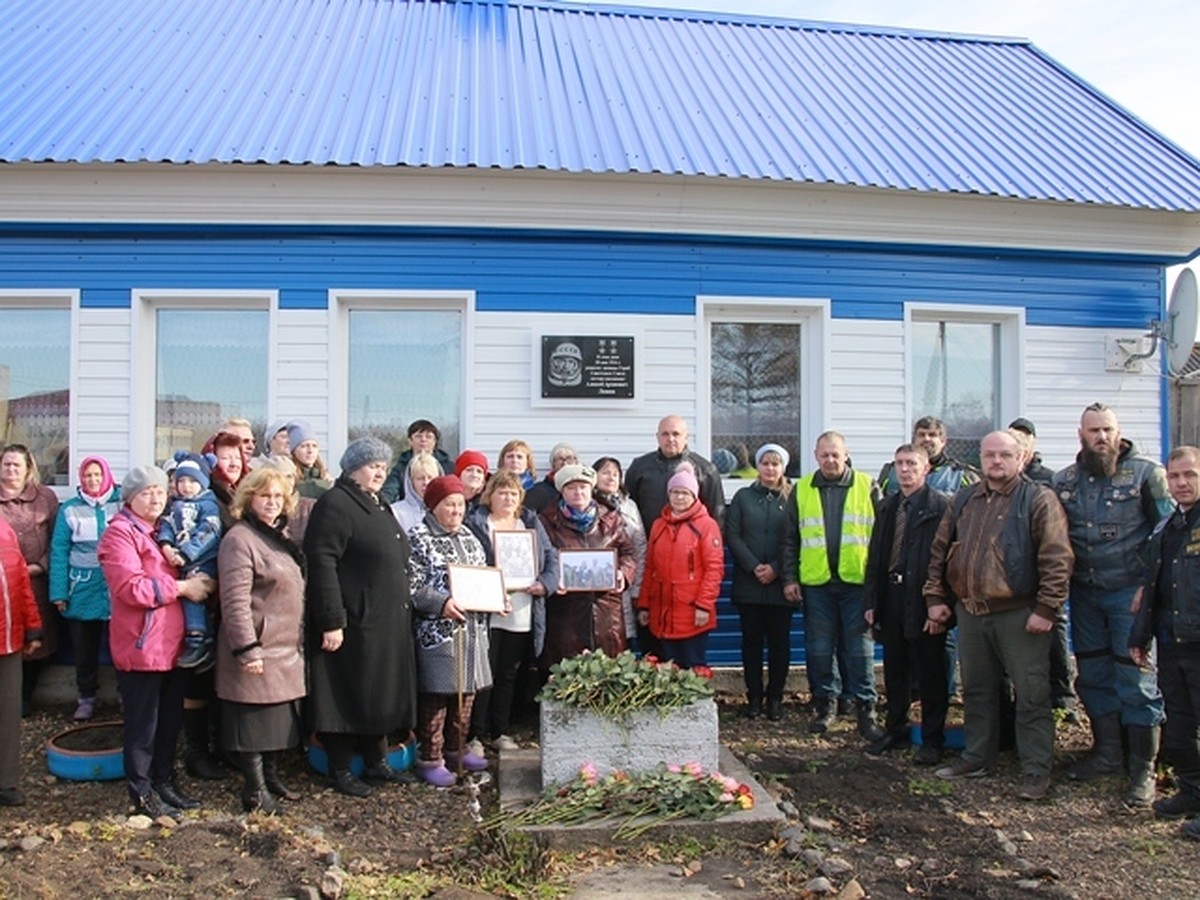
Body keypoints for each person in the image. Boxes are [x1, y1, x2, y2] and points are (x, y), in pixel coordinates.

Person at [925, 430, 1074, 801]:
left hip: (1020, 614)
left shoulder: (1038, 499)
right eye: (989, 455)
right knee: (977, 690)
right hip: (971, 613)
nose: (996, 461)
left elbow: (1057, 558)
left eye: (1004, 455)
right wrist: (935, 597)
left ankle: (1036, 769)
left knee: (1031, 694)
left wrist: (1046, 608)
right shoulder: (963, 500)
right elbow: (940, 552)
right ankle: (977, 757)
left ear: (1021, 458)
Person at [1053, 402, 1171, 806]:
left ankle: (1143, 769)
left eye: (1107, 430)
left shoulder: (1146, 475)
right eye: (1093, 430)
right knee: (1093, 672)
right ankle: (1107, 753)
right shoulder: (1063, 481)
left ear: (1118, 433)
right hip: (1084, 593)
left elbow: (1166, 533)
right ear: (1080, 434)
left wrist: (1151, 589)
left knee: (1136, 676)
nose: (1100, 437)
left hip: (1130, 592)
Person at [98, 465, 215, 820]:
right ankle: (142, 792)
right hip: (141, 646)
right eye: (146, 492)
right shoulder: (120, 535)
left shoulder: (161, 533)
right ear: (130, 498)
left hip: (171, 645)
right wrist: (182, 588)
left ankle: (165, 781)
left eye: (160, 492)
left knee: (168, 722)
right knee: (142, 726)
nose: (155, 498)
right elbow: (130, 588)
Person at [304, 437, 418, 798]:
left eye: (383, 467)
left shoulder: (376, 502)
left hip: (385, 621)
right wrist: (331, 618)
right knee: (346, 693)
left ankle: (376, 761)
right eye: (372, 467)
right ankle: (339, 768)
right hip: (352, 619)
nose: (380, 473)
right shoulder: (336, 504)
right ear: (353, 468)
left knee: (378, 690)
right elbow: (322, 562)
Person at [216, 466, 307, 814]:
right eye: (265, 496)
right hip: (259, 645)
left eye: (278, 497)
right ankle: (254, 790)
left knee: (276, 720)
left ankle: (271, 778)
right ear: (249, 497)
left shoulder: (276, 536)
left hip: (284, 647)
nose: (272, 503)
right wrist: (246, 647)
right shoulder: (239, 539)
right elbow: (235, 600)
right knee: (254, 723)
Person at [782, 432, 883, 739]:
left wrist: (877, 586)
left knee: (859, 650)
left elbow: (881, 540)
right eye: (824, 455)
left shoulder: (868, 487)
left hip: (858, 583)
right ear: (815, 455)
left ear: (846, 454)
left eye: (835, 454)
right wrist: (789, 578)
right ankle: (825, 707)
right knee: (819, 649)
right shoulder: (802, 490)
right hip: (817, 584)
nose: (830, 460)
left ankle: (867, 710)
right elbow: (789, 539)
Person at [863, 444, 952, 764]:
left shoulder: (940, 507)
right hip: (892, 597)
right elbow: (876, 557)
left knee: (929, 672)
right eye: (899, 463)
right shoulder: (888, 507)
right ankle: (896, 728)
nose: (905, 469)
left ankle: (932, 738)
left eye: (912, 463)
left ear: (926, 468)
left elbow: (946, 561)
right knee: (895, 668)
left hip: (924, 598)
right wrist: (872, 601)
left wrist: (938, 602)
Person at [1130, 446, 1200, 834]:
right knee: (1180, 724)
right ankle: (1192, 790)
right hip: (1172, 641)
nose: (1182, 483)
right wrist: (1139, 636)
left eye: (1190, 474)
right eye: (1175, 476)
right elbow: (1152, 586)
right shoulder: (1167, 526)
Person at [408, 475, 493, 786]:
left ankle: (457, 748)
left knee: (466, 693)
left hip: (472, 629)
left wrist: (498, 598)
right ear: (433, 506)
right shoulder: (419, 537)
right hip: (438, 631)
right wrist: (441, 602)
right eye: (449, 504)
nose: (456, 510)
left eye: (460, 504)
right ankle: (430, 757)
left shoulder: (470, 536)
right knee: (438, 695)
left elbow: (483, 577)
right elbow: (411, 585)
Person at [465, 470, 558, 751]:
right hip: (487, 611)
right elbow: (471, 566)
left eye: (513, 493)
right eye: (502, 492)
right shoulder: (477, 523)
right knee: (483, 674)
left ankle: (498, 732)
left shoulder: (528, 521)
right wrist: (491, 594)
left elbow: (550, 556)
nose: (508, 497)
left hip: (522, 609)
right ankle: (475, 736)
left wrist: (545, 584)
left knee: (508, 673)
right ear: (489, 495)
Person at [1008, 418, 1081, 724]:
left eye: (1024, 443)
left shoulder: (1048, 480)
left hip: (1045, 575)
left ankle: (1063, 696)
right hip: (1014, 581)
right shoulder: (995, 483)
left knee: (1055, 634)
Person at [538, 464, 637, 667]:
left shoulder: (611, 519)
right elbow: (540, 560)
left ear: (591, 489)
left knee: (609, 675)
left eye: (583, 487)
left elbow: (628, 553)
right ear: (561, 491)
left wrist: (623, 574)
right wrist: (553, 580)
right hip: (566, 614)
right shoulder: (546, 522)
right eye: (571, 488)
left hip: (607, 613)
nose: (578, 493)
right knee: (566, 678)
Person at [49, 455, 121, 721]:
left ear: (106, 476)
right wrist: (59, 591)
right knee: (84, 648)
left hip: (115, 587)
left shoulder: (121, 503)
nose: (93, 480)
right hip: (82, 587)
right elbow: (59, 550)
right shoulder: (69, 509)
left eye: (98, 475)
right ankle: (86, 698)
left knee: (121, 646)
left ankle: (126, 694)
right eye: (88, 475)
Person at [726, 443, 794, 720]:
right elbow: (734, 535)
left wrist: (777, 569)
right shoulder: (743, 497)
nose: (770, 468)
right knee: (751, 643)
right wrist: (755, 567)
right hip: (749, 584)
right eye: (765, 463)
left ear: (783, 468)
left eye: (775, 464)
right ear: (758, 466)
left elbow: (796, 537)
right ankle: (754, 697)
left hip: (781, 584)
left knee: (780, 643)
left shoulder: (793, 498)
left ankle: (775, 698)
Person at [637, 463, 723, 669]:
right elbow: (650, 567)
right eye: (675, 492)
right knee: (667, 669)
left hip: (692, 611)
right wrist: (644, 605)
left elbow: (714, 569)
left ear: (694, 495)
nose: (679, 497)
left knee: (694, 668)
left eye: (685, 493)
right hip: (662, 612)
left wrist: (704, 605)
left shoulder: (706, 525)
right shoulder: (659, 525)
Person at [0, 443, 60, 712]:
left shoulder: (45, 497)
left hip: (37, 580)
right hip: (3, 584)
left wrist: (40, 566)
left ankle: (24, 697)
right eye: (6, 464)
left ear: (28, 469)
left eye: (16, 465)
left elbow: (58, 540)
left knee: (38, 637)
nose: (11, 469)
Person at [156, 455, 222, 671]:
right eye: (181, 481)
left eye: (192, 482)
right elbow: (166, 525)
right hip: (180, 560)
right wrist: (166, 545)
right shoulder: (174, 505)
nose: (186, 486)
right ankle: (201, 638)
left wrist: (186, 553)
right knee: (185, 599)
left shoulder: (207, 505)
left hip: (202, 560)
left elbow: (208, 532)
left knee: (193, 597)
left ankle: (197, 640)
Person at [0, 516, 42, 806]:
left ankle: (6, 781)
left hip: (9, 639)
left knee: (8, 713)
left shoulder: (5, 529)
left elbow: (21, 584)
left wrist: (32, 627)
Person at [625, 415, 726, 532]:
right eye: (665, 434)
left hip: (692, 545)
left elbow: (717, 514)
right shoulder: (639, 467)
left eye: (676, 434)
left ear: (686, 437)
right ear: (657, 437)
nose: (670, 439)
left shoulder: (705, 470)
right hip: (649, 542)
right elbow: (629, 510)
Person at [593, 456, 648, 655]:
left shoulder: (629, 506)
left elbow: (640, 546)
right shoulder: (587, 504)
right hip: (596, 587)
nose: (611, 478)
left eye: (615, 474)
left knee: (624, 640)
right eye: (605, 473)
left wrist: (636, 587)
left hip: (624, 582)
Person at [877, 416, 979, 497]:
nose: (926, 439)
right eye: (921, 435)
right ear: (914, 440)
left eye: (932, 435)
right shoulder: (891, 472)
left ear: (943, 441)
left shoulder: (961, 475)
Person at [381, 419, 454, 504]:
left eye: (428, 437)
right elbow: (390, 491)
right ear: (410, 441)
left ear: (435, 442)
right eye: (418, 436)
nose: (423, 440)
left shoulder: (448, 467)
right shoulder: (401, 467)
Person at [390, 452, 441, 534]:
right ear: (411, 482)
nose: (426, 482)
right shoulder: (396, 512)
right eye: (420, 478)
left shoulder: (446, 511)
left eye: (430, 477)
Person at [524, 442, 579, 513]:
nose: (565, 463)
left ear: (576, 462)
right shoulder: (538, 491)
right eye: (560, 459)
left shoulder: (584, 491)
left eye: (569, 458)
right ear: (553, 464)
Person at [288, 421, 333, 499]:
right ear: (294, 451)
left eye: (314, 446)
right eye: (304, 446)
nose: (310, 451)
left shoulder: (325, 476)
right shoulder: (288, 477)